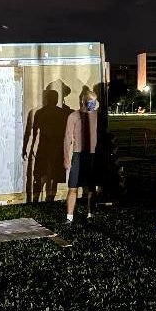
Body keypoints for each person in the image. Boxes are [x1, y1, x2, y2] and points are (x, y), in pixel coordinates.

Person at [63, 90, 99, 222]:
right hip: (78, 155)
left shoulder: (97, 116)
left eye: (95, 102)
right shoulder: (73, 116)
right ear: (83, 101)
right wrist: (66, 159)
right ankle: (69, 216)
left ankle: (90, 214)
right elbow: (67, 138)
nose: (93, 105)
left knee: (91, 188)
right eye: (91, 102)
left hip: (92, 156)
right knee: (73, 187)